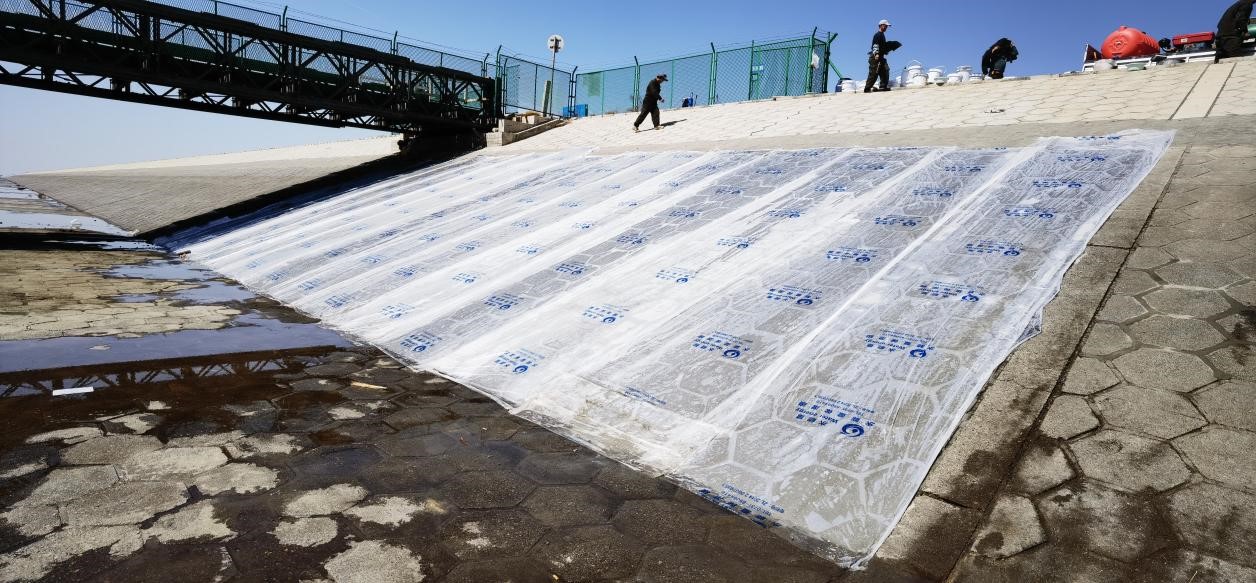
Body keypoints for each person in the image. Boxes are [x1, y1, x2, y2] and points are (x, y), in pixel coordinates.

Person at [864, 20, 895, 93]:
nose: (886, 27)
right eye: (885, 26)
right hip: (875, 57)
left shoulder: (882, 35)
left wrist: (886, 51)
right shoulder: (877, 35)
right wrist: (876, 54)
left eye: (887, 26)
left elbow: (882, 46)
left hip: (881, 57)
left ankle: (883, 86)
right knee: (874, 73)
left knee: (885, 70)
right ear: (881, 25)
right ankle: (867, 88)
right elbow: (875, 45)